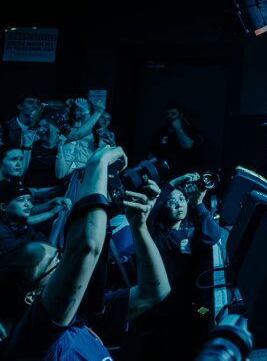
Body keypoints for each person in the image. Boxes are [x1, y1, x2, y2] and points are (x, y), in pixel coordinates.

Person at [0, 145, 170, 359]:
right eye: (56, 261)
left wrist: (138, 226)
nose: (65, 261)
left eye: (61, 255)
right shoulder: (30, 340)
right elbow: (84, 248)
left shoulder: (80, 314)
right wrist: (97, 165)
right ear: (32, 296)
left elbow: (154, 291)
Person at [122, 173, 222, 360]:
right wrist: (175, 181)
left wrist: (198, 203)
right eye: (172, 201)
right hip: (156, 311)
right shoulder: (152, 234)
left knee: (198, 324)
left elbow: (213, 236)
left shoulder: (191, 233)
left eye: (182, 199)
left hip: (187, 310)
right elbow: (153, 206)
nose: (179, 204)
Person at [0, 182, 70, 253]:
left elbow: (46, 245)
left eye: (29, 199)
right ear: (3, 207)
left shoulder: (24, 226)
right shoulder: (3, 230)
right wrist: (51, 212)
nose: (28, 205)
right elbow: (16, 251)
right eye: (20, 200)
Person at [151, 103, 204, 174]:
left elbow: (188, 146)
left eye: (172, 113)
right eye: (167, 114)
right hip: (163, 172)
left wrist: (178, 128)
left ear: (181, 115)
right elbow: (152, 152)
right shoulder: (162, 132)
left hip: (184, 173)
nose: (169, 116)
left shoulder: (190, 129)